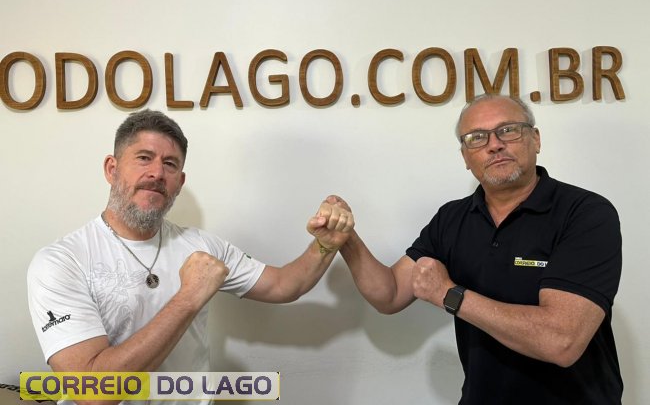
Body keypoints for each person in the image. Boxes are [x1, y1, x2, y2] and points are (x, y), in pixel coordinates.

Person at [27, 109, 353, 403]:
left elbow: (285, 284)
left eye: (170, 164)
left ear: (180, 182)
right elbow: (92, 392)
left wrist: (325, 244)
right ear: (112, 169)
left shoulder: (200, 246)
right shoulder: (62, 262)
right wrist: (189, 297)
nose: (157, 173)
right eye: (144, 158)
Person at [334, 94, 623, 404]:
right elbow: (389, 294)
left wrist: (449, 294)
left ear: (536, 139)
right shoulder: (452, 218)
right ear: (465, 156)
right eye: (477, 138)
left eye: (508, 130)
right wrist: (346, 240)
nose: (494, 145)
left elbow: (561, 341)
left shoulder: (585, 213)